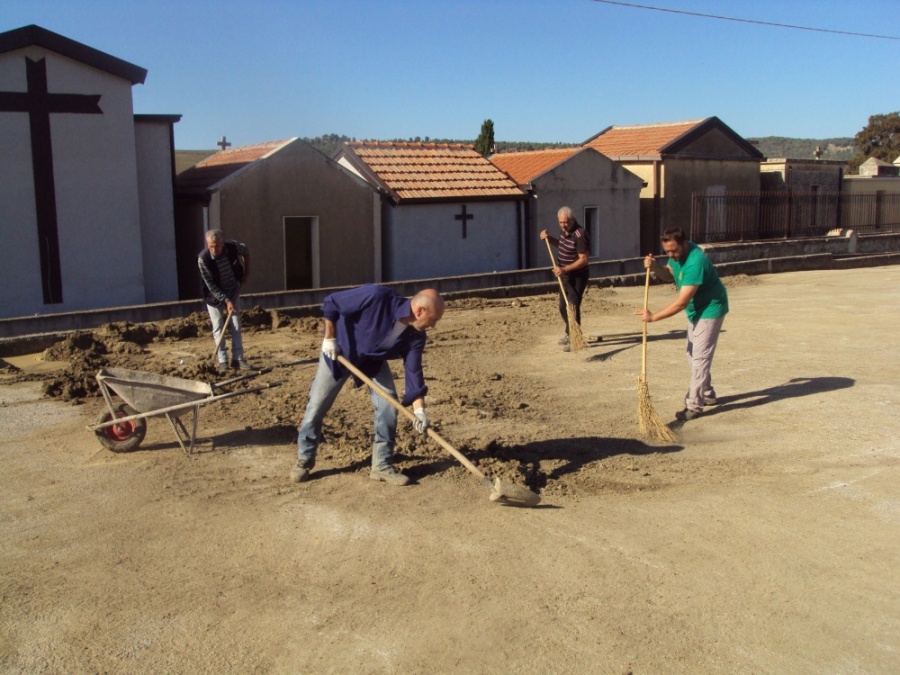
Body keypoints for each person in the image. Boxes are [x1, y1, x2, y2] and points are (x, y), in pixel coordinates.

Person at [291, 284, 445, 486]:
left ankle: (381, 466)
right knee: (316, 406)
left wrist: (420, 411)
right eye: (433, 320)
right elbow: (331, 302)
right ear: (419, 311)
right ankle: (304, 460)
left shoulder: (415, 336)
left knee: (389, 406)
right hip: (339, 353)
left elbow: (414, 371)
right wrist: (329, 337)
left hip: (372, 361)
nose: (433, 326)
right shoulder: (377, 297)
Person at [635, 227, 729, 421]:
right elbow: (670, 274)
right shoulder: (677, 256)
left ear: (684, 243)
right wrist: (654, 267)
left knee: (700, 358)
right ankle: (708, 393)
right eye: (667, 252)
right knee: (692, 354)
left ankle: (694, 405)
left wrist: (654, 317)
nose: (671, 255)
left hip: (711, 308)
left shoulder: (696, 262)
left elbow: (681, 302)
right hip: (696, 310)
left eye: (673, 251)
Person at [198, 229, 253, 375]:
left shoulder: (233, 247)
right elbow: (211, 285)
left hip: (233, 289)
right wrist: (226, 300)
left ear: (222, 243)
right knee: (218, 326)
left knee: (236, 324)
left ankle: (238, 358)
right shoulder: (203, 260)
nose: (214, 249)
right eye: (211, 246)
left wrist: (246, 273)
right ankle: (223, 361)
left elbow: (246, 252)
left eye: (217, 246)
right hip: (213, 295)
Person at [540, 206, 590, 352]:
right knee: (563, 307)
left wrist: (564, 269)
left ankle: (576, 339)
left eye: (566, 222)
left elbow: (584, 259)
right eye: (561, 222)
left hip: (577, 276)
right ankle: (570, 333)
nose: (563, 225)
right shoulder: (564, 232)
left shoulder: (580, 235)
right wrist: (548, 239)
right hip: (565, 277)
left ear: (572, 220)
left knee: (572, 306)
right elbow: (561, 245)